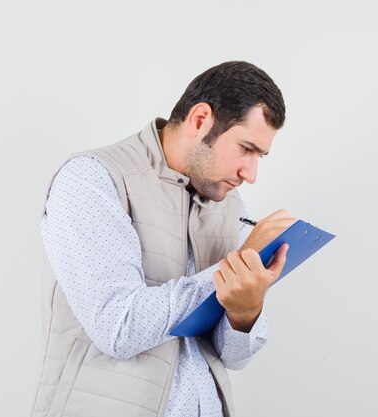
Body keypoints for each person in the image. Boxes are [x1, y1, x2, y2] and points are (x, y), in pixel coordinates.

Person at [32, 61, 296, 417]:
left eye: (259, 156)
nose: (250, 174)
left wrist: (245, 311)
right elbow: (119, 327)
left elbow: (233, 357)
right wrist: (233, 269)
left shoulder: (226, 201)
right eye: (245, 149)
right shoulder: (92, 180)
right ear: (200, 119)